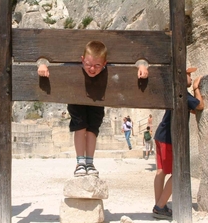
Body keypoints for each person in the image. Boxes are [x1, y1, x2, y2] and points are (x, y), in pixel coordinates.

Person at [37, 41, 149, 177]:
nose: (92, 69)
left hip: (98, 98)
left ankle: (89, 162)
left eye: (97, 65)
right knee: (80, 126)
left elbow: (128, 64)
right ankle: (80, 162)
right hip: (76, 98)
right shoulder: (72, 65)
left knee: (93, 129)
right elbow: (52, 64)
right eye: (88, 64)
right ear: (82, 60)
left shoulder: (108, 67)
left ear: (105, 64)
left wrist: (142, 65)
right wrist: (42, 64)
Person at [152, 67, 204, 219]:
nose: (191, 77)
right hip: (169, 138)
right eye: (189, 75)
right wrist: (196, 88)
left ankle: (159, 205)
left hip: (161, 135)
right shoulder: (184, 94)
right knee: (177, 173)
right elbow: (199, 106)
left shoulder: (175, 93)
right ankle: (160, 206)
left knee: (160, 173)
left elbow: (192, 109)